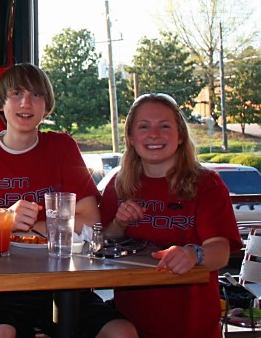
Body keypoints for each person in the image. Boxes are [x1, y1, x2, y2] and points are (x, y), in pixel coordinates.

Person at [0, 63, 137, 338]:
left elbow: (90, 221)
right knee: (0, 333)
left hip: (61, 284)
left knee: (122, 331)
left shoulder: (62, 147)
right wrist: (6, 220)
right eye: (16, 93)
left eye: (36, 95)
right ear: (1, 103)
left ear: (46, 106)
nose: (26, 103)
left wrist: (28, 227)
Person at [99, 93, 242, 338]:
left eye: (164, 126)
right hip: (131, 323)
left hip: (192, 325)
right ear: (131, 137)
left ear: (180, 135)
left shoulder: (207, 184)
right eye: (144, 127)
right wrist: (118, 223)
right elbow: (102, 240)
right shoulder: (119, 184)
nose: (154, 135)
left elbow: (220, 252)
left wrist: (193, 254)